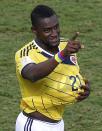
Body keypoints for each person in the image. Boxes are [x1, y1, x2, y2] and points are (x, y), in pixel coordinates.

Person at [15, 4, 90, 131]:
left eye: (56, 27)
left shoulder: (65, 45)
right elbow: (32, 74)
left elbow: (69, 73)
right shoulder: (25, 53)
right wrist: (62, 55)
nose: (54, 34)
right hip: (35, 124)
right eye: (47, 30)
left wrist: (81, 88)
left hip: (58, 123)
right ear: (34, 30)